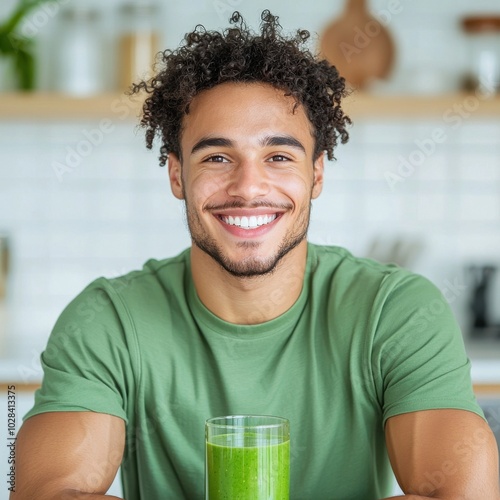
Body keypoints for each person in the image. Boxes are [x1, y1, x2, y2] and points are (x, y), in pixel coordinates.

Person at [12, 11, 499, 500]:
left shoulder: (396, 311)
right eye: (217, 157)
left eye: (279, 157)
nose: (247, 187)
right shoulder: (107, 321)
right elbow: (49, 494)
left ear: (317, 174)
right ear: (177, 175)